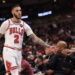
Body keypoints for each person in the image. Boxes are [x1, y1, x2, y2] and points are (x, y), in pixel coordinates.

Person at [0, 5, 50, 75]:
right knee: (14, 72)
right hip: (9, 50)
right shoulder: (6, 23)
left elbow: (35, 38)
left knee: (12, 73)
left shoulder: (24, 25)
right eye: (17, 11)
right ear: (12, 12)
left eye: (20, 10)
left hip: (19, 52)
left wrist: (47, 45)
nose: (19, 12)